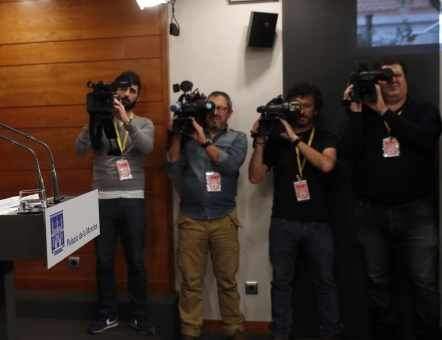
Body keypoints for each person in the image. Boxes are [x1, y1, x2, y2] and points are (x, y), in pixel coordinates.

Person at [339, 57, 441, 340]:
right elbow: (348, 152)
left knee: (425, 283)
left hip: (417, 213)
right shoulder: (362, 115)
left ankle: (429, 335)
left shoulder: (424, 110)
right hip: (371, 214)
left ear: (406, 80)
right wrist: (355, 111)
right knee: (377, 283)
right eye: (385, 77)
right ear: (376, 83)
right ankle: (383, 334)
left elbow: (425, 138)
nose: (392, 80)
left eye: (396, 75)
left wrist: (384, 112)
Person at [248, 82, 344, 340]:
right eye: (296, 105)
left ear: (316, 111)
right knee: (281, 283)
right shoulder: (276, 143)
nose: (301, 110)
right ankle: (280, 333)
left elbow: (326, 165)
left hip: (318, 223)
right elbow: (255, 177)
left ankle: (331, 333)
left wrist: (294, 139)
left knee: (325, 282)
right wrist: (260, 141)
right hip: (283, 222)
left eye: (307, 106)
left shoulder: (326, 138)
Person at [75, 70, 156, 335]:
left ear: (137, 95)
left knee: (136, 261)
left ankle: (140, 315)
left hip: (133, 199)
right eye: (124, 89)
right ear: (115, 92)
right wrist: (93, 119)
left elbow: (146, 147)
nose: (128, 94)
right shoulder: (97, 120)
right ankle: (107, 313)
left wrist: (126, 122)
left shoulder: (144, 123)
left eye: (133, 90)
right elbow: (79, 149)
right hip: (102, 199)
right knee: (104, 262)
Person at [164, 91, 248, 340]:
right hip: (191, 220)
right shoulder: (188, 136)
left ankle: (234, 328)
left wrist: (203, 141)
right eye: (212, 107)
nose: (216, 112)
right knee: (190, 282)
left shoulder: (238, 138)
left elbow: (231, 164)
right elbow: (171, 171)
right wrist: (177, 135)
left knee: (227, 280)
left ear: (229, 113)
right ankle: (190, 330)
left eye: (222, 108)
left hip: (224, 219)